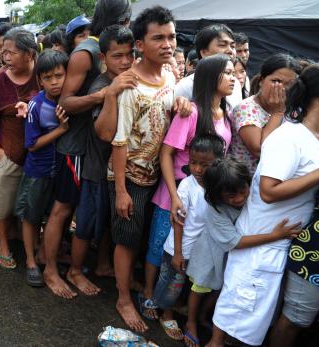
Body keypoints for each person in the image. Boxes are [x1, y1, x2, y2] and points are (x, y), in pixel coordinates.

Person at [208, 63, 319, 347]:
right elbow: (268, 191)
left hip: (278, 243)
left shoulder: (316, 138)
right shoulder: (289, 137)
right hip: (261, 244)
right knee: (238, 309)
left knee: (252, 318)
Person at [44, 0, 132, 300]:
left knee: (94, 212)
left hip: (97, 148)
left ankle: (98, 264)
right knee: (64, 208)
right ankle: (52, 270)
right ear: (122, 20)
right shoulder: (86, 53)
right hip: (76, 146)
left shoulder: (108, 49)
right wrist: (102, 95)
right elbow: (65, 102)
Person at [140, 54, 234, 325]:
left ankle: (170, 302)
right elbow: (167, 153)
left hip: (204, 195)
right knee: (161, 248)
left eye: (233, 73)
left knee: (185, 252)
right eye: (226, 73)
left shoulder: (224, 115)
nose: (233, 78)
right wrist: (172, 195)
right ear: (209, 77)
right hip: (177, 191)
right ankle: (150, 297)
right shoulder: (191, 112)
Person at [107, 5, 178, 332]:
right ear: (139, 44)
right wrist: (121, 190)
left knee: (143, 237)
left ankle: (131, 283)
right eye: (158, 38)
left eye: (171, 36)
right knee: (127, 239)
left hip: (159, 175)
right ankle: (123, 298)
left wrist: (184, 103)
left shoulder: (171, 74)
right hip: (130, 176)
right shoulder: (129, 85)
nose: (167, 44)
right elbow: (118, 141)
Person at [184, 157, 301, 347]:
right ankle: (191, 322)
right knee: (201, 287)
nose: (239, 199)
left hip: (229, 257)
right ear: (217, 194)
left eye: (242, 191)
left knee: (219, 290)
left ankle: (206, 318)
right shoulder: (215, 209)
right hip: (211, 255)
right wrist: (275, 235)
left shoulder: (251, 192)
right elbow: (235, 242)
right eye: (231, 196)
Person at [67, 24, 137, 296]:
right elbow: (106, 133)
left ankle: (104, 264)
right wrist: (111, 93)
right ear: (103, 58)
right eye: (117, 56)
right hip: (96, 168)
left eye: (129, 54)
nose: (125, 61)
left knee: (108, 221)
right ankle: (74, 270)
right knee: (86, 223)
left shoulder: (132, 78)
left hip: (119, 169)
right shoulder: (103, 84)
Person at [268, 63, 319, 347]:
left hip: (307, 238)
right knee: (293, 320)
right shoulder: (290, 136)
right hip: (313, 245)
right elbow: (268, 191)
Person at [0, 28, 39, 269]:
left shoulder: (42, 75)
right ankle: (3, 243)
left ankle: (32, 244)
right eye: (3, 53)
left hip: (38, 155)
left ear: (30, 54)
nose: (5, 58)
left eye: (11, 53)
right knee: (3, 204)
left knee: (34, 204)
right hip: (9, 154)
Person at [14, 49, 69, 286]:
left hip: (60, 169)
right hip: (38, 170)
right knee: (31, 217)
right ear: (40, 80)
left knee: (53, 216)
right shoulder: (36, 106)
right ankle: (30, 261)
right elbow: (32, 144)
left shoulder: (69, 101)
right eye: (48, 78)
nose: (55, 82)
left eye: (59, 75)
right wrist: (60, 130)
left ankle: (45, 253)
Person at [229, 54, 300, 175]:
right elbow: (260, 150)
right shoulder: (245, 109)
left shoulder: (292, 109)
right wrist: (277, 112)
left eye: (289, 84)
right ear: (262, 80)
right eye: (276, 81)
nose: (282, 88)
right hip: (248, 183)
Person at [175, 24, 243, 108]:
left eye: (232, 46)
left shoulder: (235, 84)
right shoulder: (186, 86)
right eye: (222, 45)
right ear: (204, 52)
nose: (230, 51)